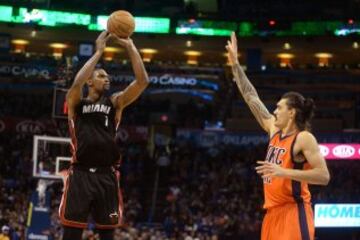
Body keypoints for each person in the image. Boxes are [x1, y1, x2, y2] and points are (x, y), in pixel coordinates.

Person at [226, 32, 330, 240]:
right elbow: (251, 97)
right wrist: (236, 66)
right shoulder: (274, 129)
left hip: (294, 211)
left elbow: (323, 176)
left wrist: (284, 172)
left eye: (279, 107)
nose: (274, 111)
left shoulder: (303, 138)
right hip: (272, 214)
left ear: (291, 112)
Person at [59, 31, 149, 240]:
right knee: (71, 234)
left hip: (107, 176)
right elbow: (76, 85)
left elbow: (142, 81)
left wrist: (131, 47)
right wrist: (99, 52)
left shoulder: (115, 102)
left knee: (107, 235)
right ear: (89, 82)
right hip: (80, 175)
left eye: (108, 76)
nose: (106, 79)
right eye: (101, 76)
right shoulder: (77, 103)